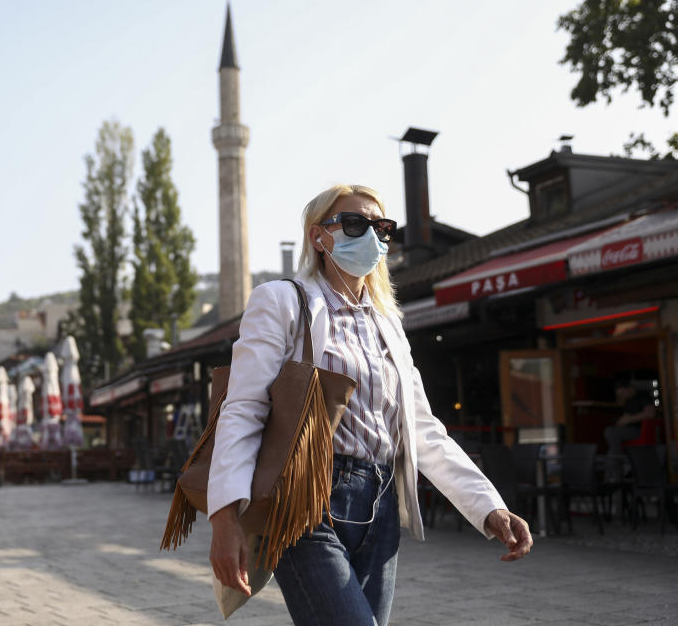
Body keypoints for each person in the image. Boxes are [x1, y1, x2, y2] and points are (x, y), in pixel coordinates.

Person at [207, 184, 532, 625]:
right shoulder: (282, 300)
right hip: (307, 499)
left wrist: (487, 505)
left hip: (380, 506)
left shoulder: (388, 324)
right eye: (355, 223)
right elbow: (244, 409)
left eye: (381, 227)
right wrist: (224, 520)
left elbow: (420, 426)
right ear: (318, 236)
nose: (373, 236)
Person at [604, 378, 657, 454]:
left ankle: (617, 455)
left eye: (622, 393)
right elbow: (626, 416)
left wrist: (629, 420)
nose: (621, 396)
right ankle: (615, 455)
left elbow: (650, 413)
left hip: (641, 430)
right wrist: (620, 422)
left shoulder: (643, 395)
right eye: (619, 394)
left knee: (610, 432)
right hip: (630, 429)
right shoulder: (628, 401)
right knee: (610, 430)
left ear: (629, 388)